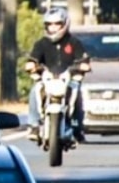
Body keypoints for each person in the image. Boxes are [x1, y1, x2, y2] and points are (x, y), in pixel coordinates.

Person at [25, 7, 92, 142]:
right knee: (35, 90)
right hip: (48, 79)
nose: (53, 28)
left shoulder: (74, 42)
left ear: (65, 24)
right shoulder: (41, 43)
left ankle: (77, 126)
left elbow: (84, 60)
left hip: (69, 79)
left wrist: (82, 66)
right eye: (49, 24)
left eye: (57, 24)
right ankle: (34, 125)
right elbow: (32, 59)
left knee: (77, 94)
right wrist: (31, 65)